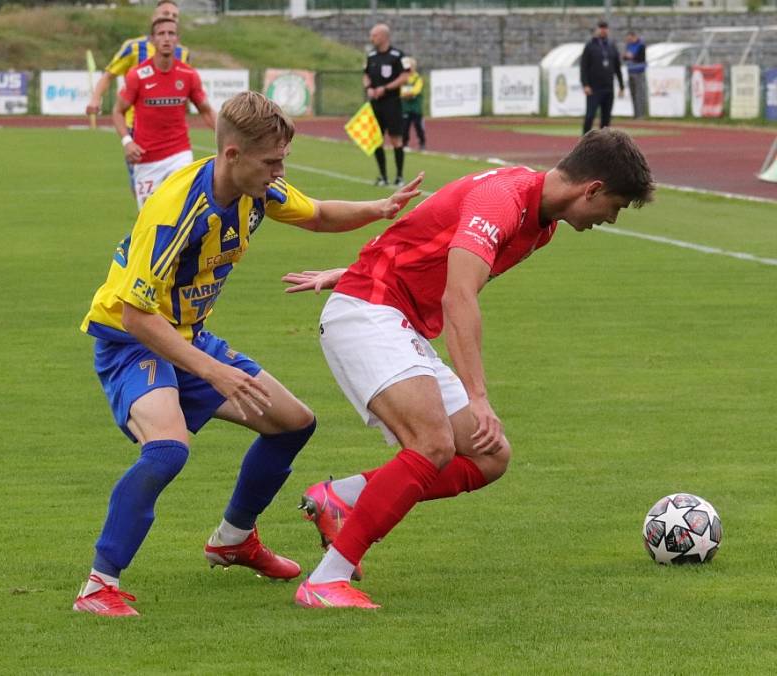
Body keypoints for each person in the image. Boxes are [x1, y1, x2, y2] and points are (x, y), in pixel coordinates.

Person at [72, 91, 423, 617]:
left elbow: (320, 214)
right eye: (273, 161)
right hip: (132, 343)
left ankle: (233, 539)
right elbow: (135, 316)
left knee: (293, 423)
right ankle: (98, 587)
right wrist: (215, 372)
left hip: (187, 336)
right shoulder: (176, 212)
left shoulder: (256, 188)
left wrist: (379, 208)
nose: (281, 172)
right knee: (168, 451)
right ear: (233, 155)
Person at [282, 128, 654, 609]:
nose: (611, 219)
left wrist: (356, 267)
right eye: (616, 207)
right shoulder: (503, 199)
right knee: (433, 443)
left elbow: (432, 232)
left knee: (489, 456)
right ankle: (325, 582)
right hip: (369, 311)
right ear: (593, 189)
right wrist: (478, 396)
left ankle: (342, 497)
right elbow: (459, 295)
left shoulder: (541, 226)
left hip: (393, 317)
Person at [85, 1, 190, 193]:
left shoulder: (182, 53)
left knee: (177, 192)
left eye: (175, 16)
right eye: (166, 13)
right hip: (137, 130)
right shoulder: (134, 48)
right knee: (142, 191)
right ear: (154, 19)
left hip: (171, 134)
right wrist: (95, 98)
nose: (170, 18)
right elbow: (109, 74)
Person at [113, 17, 215, 210]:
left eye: (171, 33)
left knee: (182, 213)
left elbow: (207, 112)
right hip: (147, 160)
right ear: (152, 40)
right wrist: (127, 142)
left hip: (179, 155)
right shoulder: (137, 75)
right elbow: (118, 111)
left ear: (177, 39)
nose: (166, 38)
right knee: (151, 221)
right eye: (161, 34)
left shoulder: (188, 75)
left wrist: (229, 138)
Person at [363, 23, 411, 187]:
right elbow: (366, 76)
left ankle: (399, 177)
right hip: (376, 104)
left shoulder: (398, 55)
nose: (372, 38)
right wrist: (369, 87)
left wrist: (386, 88)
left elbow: (406, 76)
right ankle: (383, 176)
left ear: (383, 36)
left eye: (374, 35)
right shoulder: (371, 56)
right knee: (377, 139)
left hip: (392, 102)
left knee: (396, 139)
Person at [580, 20, 624, 135]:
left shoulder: (612, 46)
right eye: (601, 27)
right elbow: (583, 67)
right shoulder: (590, 46)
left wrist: (621, 86)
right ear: (597, 30)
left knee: (606, 119)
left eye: (605, 28)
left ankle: (604, 144)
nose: (603, 30)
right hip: (594, 88)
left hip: (608, 87)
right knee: (590, 116)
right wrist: (585, 84)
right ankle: (584, 141)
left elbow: (617, 67)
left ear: (608, 30)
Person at [400, 57, 426, 152]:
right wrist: (406, 94)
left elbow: (417, 90)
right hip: (405, 107)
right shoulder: (402, 78)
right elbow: (400, 91)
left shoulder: (418, 78)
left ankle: (422, 143)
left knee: (418, 126)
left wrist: (409, 94)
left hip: (416, 107)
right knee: (405, 126)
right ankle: (405, 143)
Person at [623, 31, 647, 119]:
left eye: (630, 38)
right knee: (633, 94)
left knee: (639, 94)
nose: (628, 40)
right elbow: (625, 57)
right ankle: (635, 114)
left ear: (634, 37)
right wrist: (628, 56)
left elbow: (640, 57)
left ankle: (641, 115)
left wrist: (631, 56)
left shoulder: (641, 45)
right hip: (630, 71)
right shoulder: (628, 45)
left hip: (639, 72)